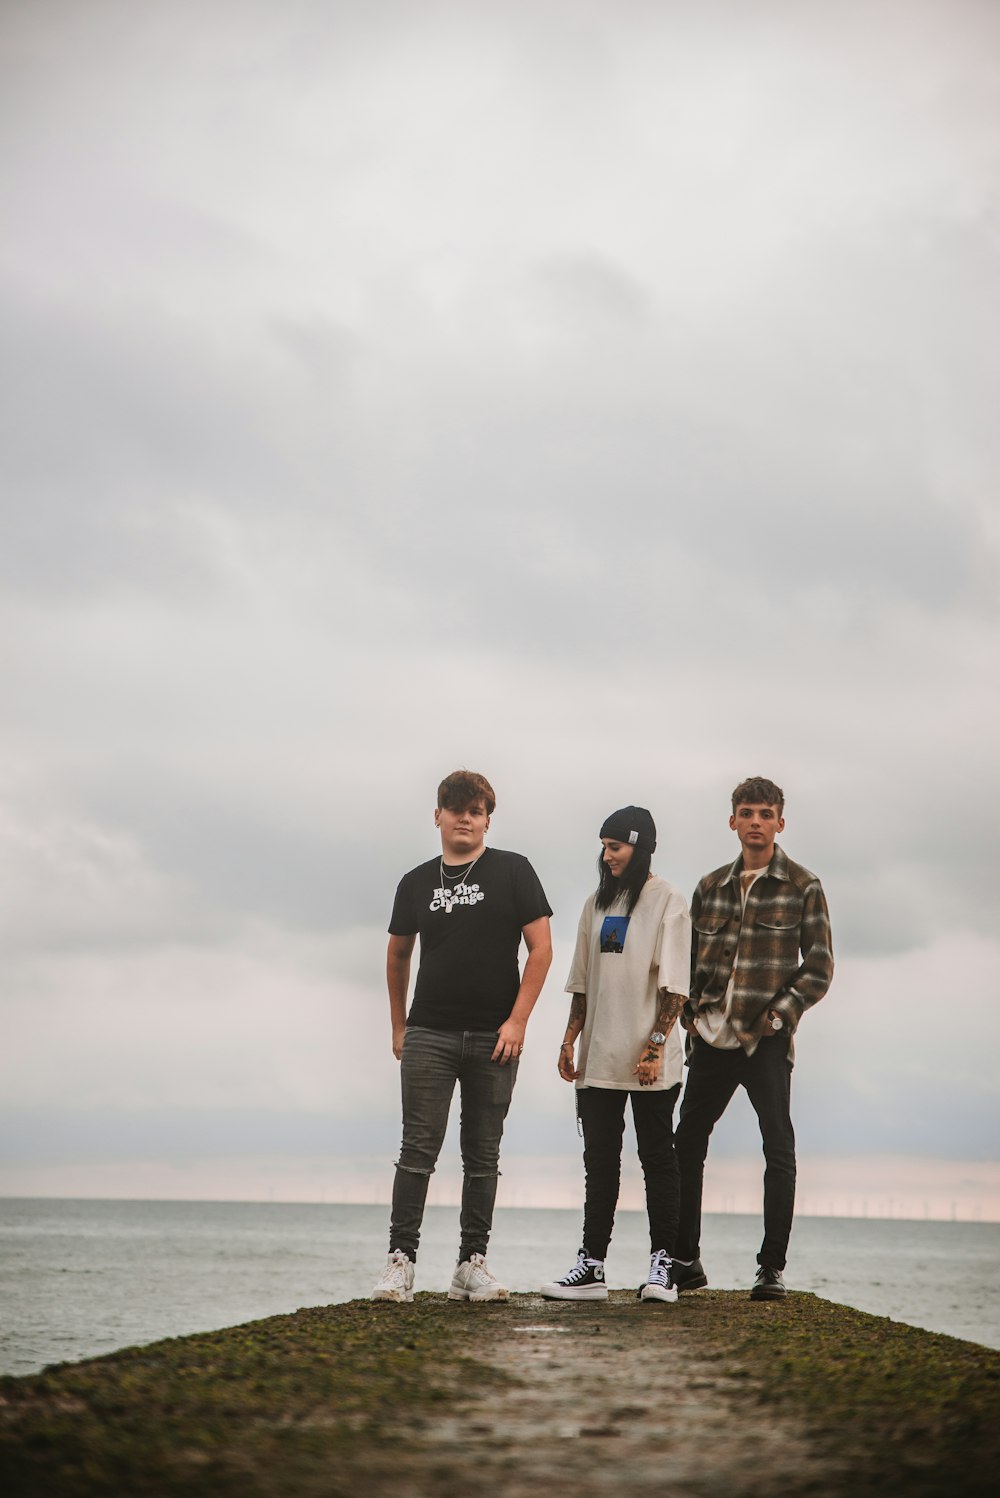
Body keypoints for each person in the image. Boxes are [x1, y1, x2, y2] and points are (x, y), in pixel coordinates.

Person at [371, 769, 553, 1304]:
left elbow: (540, 949)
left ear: (487, 820)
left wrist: (517, 1020)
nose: (465, 819)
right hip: (429, 1032)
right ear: (438, 817)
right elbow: (398, 953)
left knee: (483, 1156)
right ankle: (399, 1264)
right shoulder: (416, 881)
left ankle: (471, 1265)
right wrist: (399, 1025)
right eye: (456, 810)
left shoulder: (513, 871)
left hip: (495, 1036)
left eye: (475, 811)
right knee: (416, 1152)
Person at [673, 776, 834, 1301]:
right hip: (713, 1037)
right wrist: (691, 1017)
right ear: (733, 821)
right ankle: (685, 1260)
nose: (757, 822)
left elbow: (819, 967)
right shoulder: (710, 887)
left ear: (780, 822)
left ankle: (771, 1269)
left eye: (766, 813)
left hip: (765, 1038)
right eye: (747, 812)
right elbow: (687, 963)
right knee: (686, 1145)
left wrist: (781, 1016)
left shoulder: (803, 886)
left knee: (778, 1148)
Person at [541, 806, 691, 1304]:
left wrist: (654, 1048)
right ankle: (592, 1267)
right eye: (603, 847)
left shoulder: (668, 901)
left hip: (650, 1064)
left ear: (640, 847)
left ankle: (662, 1266)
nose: (606, 857)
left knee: (657, 1162)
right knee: (599, 1164)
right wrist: (568, 1040)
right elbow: (582, 985)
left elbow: (675, 989)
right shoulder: (595, 905)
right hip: (599, 1061)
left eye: (616, 847)